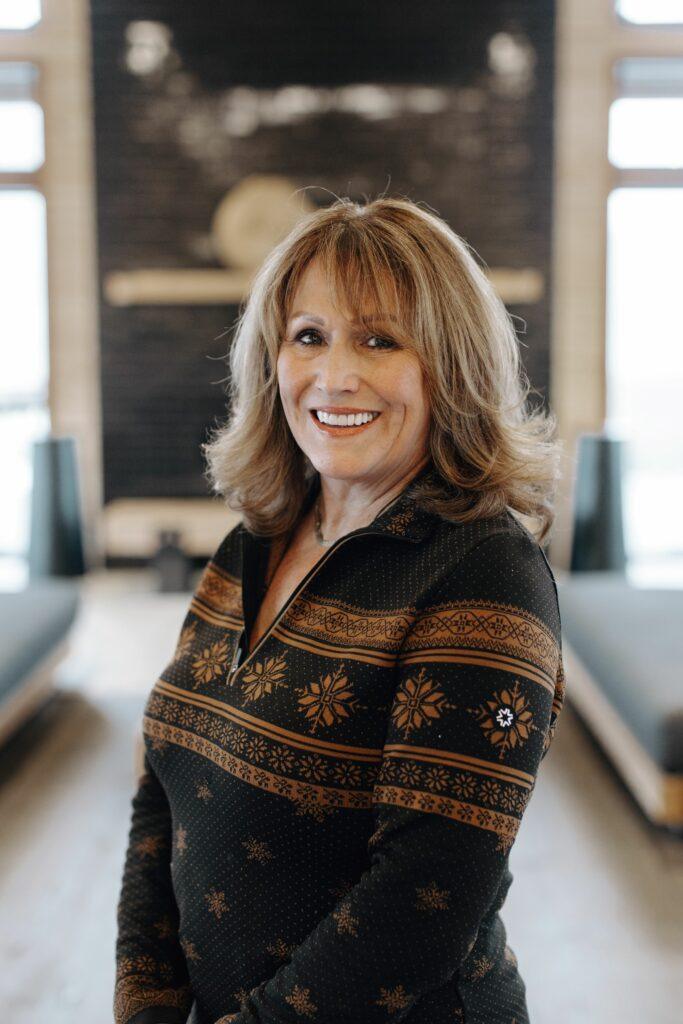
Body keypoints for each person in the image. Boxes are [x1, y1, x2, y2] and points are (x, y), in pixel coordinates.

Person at [113, 195, 566, 1024]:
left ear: (449, 366)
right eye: (308, 335)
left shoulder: (485, 571)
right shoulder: (251, 544)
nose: (335, 376)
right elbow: (160, 792)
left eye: (380, 339)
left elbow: (417, 905)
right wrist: (144, 1003)